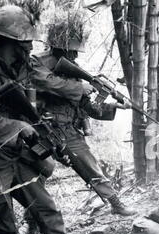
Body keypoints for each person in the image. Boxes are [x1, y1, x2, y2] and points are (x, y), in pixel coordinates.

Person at [0, 5, 86, 234]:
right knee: (3, 223)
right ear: (11, 43)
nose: (29, 48)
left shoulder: (24, 65)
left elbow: (45, 88)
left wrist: (38, 127)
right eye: (25, 43)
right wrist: (17, 127)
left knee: (42, 201)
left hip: (18, 151)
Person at [29, 16, 136, 218]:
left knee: (90, 165)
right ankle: (32, 220)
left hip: (66, 129)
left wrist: (116, 105)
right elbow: (46, 83)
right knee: (35, 174)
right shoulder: (37, 62)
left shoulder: (74, 71)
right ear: (60, 47)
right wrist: (81, 87)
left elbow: (88, 108)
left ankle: (114, 202)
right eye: (73, 49)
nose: (76, 54)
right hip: (40, 127)